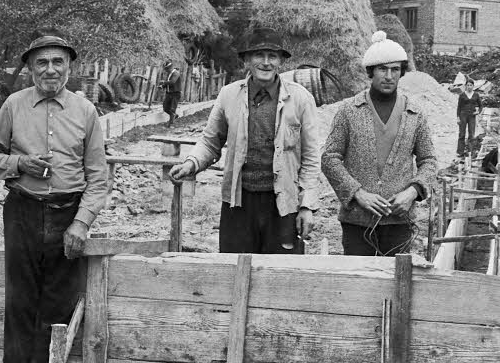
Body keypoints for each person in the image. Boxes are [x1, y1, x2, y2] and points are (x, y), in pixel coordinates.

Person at [0, 32, 107, 363]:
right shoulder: (14, 106)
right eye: (41, 63)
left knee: (59, 304)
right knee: (21, 299)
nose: (50, 70)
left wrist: (81, 223)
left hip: (68, 214)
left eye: (58, 62)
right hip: (23, 211)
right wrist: (20, 165)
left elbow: (98, 176)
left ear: (70, 67)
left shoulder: (85, 111)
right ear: (30, 68)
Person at [169, 28, 320, 254]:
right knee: (235, 271)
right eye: (259, 55)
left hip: (283, 204)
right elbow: (210, 141)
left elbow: (310, 157)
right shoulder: (229, 95)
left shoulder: (300, 99)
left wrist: (306, 205)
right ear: (247, 60)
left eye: (272, 56)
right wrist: (191, 163)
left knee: (279, 276)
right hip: (238, 202)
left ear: (281, 61)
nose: (266, 63)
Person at [322, 31, 437, 257]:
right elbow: (330, 158)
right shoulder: (348, 111)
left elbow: (429, 161)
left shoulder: (414, 113)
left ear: (402, 72)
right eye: (382, 69)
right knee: (359, 283)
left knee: (395, 283)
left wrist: (413, 192)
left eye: (395, 70)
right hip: (357, 221)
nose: (389, 76)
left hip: (398, 221)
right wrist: (357, 193)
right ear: (370, 72)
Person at [456, 76, 484, 158]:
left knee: (471, 134)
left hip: (472, 116)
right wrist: (458, 117)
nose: (469, 87)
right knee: (462, 134)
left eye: (470, 85)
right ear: (465, 86)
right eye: (467, 85)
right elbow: (459, 107)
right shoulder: (462, 95)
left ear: (473, 86)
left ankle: (470, 151)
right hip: (463, 115)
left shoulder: (476, 95)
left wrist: (478, 112)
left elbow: (481, 106)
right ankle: (460, 152)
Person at [161, 60, 182, 126]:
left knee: (172, 109)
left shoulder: (176, 73)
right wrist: (162, 86)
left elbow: (172, 82)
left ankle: (171, 124)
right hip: (169, 93)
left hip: (175, 93)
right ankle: (174, 116)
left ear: (170, 67)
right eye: (165, 69)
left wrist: (164, 82)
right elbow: (168, 83)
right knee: (165, 108)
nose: (166, 70)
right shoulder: (169, 74)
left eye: (167, 69)